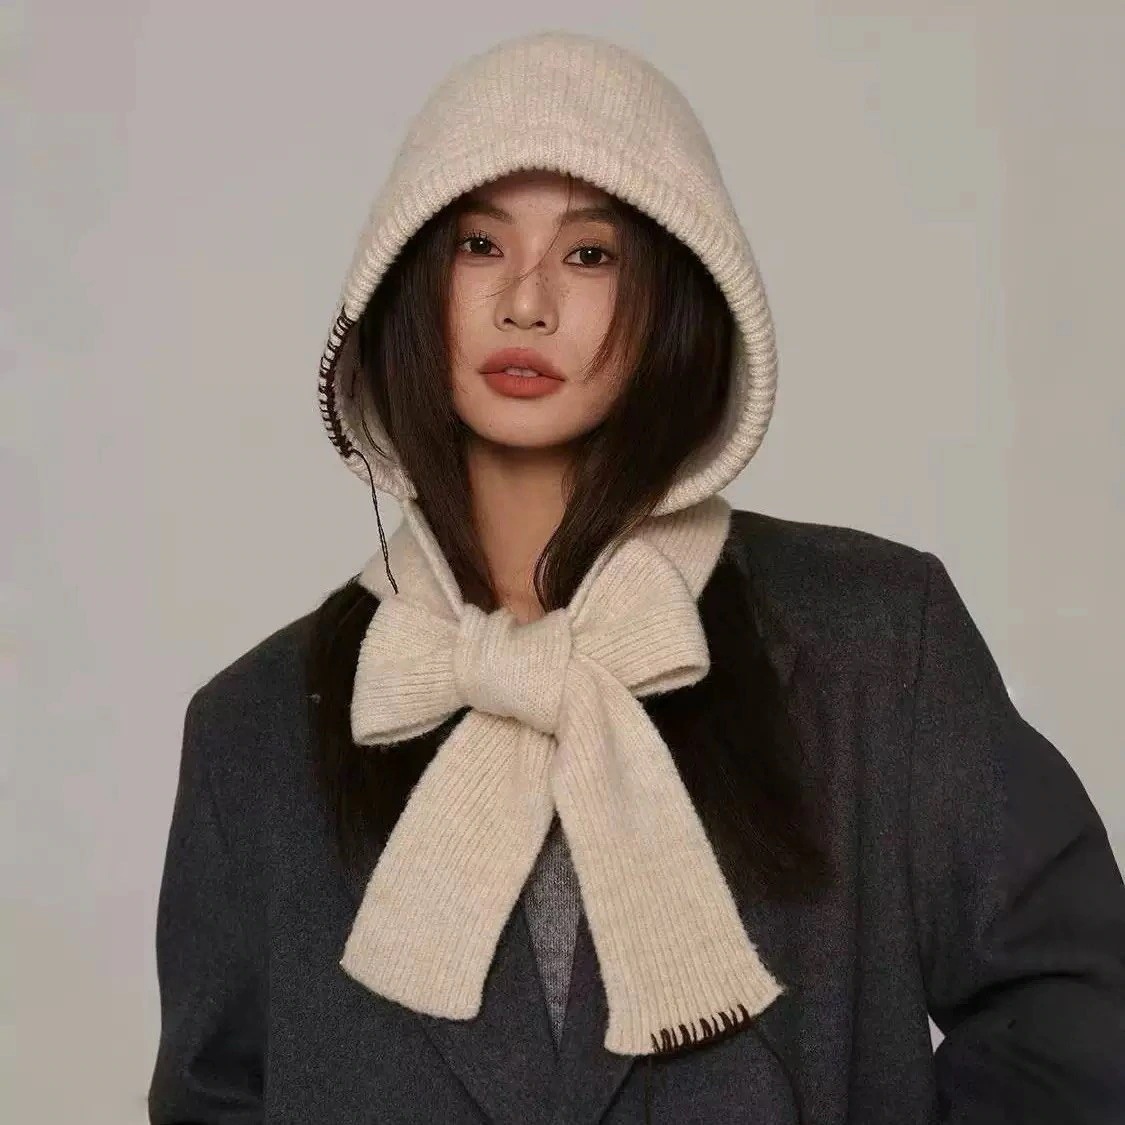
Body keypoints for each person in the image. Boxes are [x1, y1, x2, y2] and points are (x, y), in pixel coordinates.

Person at [147, 29, 1125, 1125]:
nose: (525, 302)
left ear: (673, 298)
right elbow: (214, 1101)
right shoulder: (254, 731)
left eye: (590, 254)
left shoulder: (878, 644)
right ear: (412, 283)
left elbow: (1079, 1017)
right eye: (479, 244)